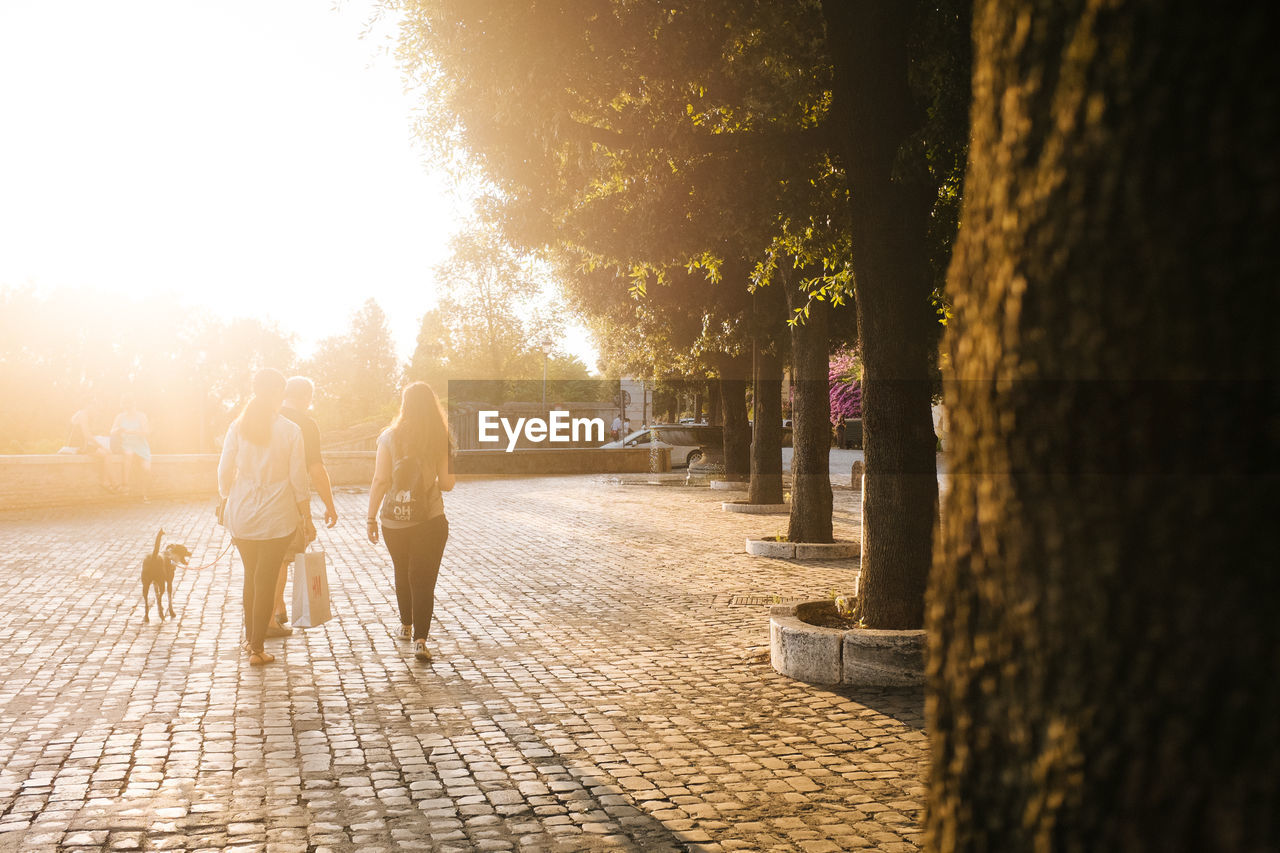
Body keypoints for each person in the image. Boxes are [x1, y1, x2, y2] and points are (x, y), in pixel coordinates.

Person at [217, 369, 309, 666]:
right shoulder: (290, 430)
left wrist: (225, 495)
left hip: (243, 511)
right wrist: (305, 515)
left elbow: (223, 469)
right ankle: (257, 647)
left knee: (250, 576)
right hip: (276, 514)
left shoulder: (238, 426)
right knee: (266, 578)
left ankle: (250, 640)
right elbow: (298, 478)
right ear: (279, 394)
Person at [367, 382, 455, 662]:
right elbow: (448, 484)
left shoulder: (388, 438)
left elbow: (381, 480)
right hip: (430, 519)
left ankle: (405, 625)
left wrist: (370, 517)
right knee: (423, 579)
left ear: (404, 404)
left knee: (402, 570)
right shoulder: (440, 438)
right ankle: (421, 640)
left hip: (394, 520)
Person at [268, 376, 339, 636]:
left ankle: (277, 607)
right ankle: (272, 614)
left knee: (265, 560)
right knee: (282, 560)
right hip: (288, 502)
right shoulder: (305, 425)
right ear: (307, 397)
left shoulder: (267, 417)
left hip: (256, 502)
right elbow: (315, 469)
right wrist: (329, 505)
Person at [66, 399, 119, 492]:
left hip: (82, 445)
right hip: (78, 446)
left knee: (107, 454)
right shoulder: (83, 415)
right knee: (106, 454)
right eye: (95, 408)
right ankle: (112, 483)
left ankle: (107, 481)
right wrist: (101, 446)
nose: (96, 411)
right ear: (88, 405)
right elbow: (87, 436)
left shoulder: (82, 414)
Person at [111, 394, 152, 501]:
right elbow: (111, 431)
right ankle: (126, 485)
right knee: (128, 454)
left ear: (134, 405)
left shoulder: (141, 416)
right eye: (125, 406)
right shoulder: (120, 417)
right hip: (126, 444)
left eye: (130, 406)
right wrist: (118, 430)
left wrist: (132, 432)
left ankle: (144, 493)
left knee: (146, 469)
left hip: (141, 445)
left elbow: (147, 432)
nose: (128, 409)